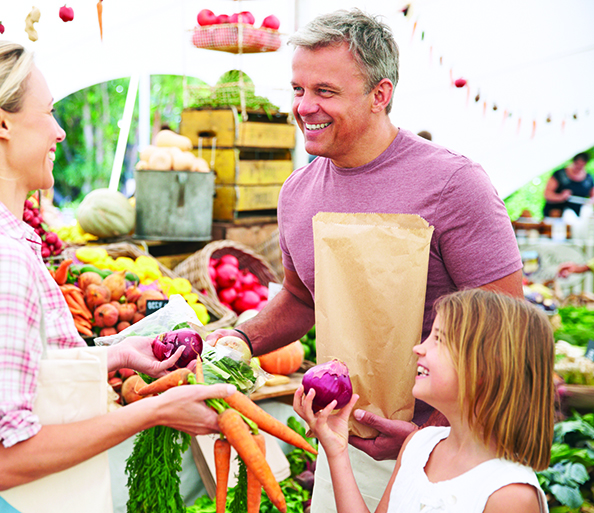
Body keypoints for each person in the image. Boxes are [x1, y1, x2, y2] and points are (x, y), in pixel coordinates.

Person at [0, 41, 234, 494]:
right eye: (47, 112)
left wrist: (119, 354)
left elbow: (27, 371)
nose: (60, 132)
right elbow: (1, 459)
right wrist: (154, 411)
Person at [207, 9, 523, 510]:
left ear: (381, 94)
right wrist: (240, 339)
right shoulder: (298, 193)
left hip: (458, 453)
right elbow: (299, 297)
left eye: (324, 92)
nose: (304, 107)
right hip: (346, 447)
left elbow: (508, 332)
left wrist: (428, 436)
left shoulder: (454, 185)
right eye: (297, 89)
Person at [294, 289, 553, 513]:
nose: (419, 348)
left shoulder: (510, 495)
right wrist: (337, 450)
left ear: (487, 369)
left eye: (439, 339)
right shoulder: (419, 445)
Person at [542, 152, 593, 218]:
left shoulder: (588, 178)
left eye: (582, 165)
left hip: (578, 216)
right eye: (577, 164)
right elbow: (547, 194)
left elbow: (592, 195)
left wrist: (590, 201)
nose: (579, 167)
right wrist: (560, 197)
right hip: (557, 213)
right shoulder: (560, 174)